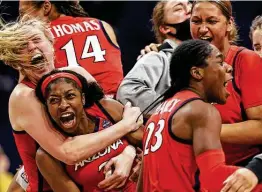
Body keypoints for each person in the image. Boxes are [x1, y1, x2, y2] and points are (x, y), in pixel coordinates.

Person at [0, 17, 142, 192]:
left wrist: (129, 152)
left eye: (36, 40)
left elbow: (111, 115)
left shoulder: (77, 74)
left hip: (102, 175)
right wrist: (125, 126)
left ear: (51, 43)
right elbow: (69, 153)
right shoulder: (23, 96)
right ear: (16, 61)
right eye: (22, 47)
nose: (31, 47)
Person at [138, 39, 250, 191]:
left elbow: (141, 185)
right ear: (197, 73)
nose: (228, 68)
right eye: (220, 62)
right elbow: (214, 176)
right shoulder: (201, 110)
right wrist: (255, 171)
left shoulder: (156, 116)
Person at [33, 69, 143, 192]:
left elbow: (153, 147)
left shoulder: (107, 109)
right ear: (47, 108)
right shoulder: (47, 156)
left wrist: (131, 155)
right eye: (54, 100)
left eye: (70, 96)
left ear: (83, 98)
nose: (63, 105)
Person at [19, 0, 124, 98]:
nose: (21, 21)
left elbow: (27, 95)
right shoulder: (102, 26)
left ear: (46, 7)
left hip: (79, 112)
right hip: (121, 107)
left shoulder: (35, 41)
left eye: (23, 13)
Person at [117, 0, 192, 116]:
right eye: (178, 9)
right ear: (165, 28)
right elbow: (128, 92)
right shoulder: (158, 58)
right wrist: (178, 111)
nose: (189, 10)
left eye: (190, 4)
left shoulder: (210, 53)